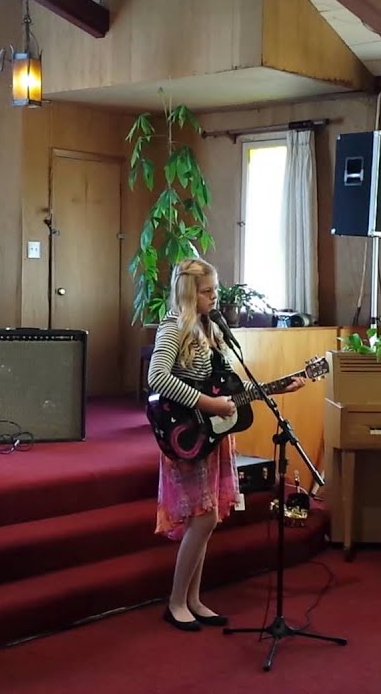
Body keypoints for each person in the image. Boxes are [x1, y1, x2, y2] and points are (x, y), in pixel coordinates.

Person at [146, 257, 306, 632]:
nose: (215, 297)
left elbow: (228, 391)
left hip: (211, 435)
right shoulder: (174, 328)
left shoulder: (211, 328)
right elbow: (157, 377)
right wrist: (207, 404)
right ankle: (175, 602)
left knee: (209, 518)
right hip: (185, 435)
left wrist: (280, 386)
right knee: (202, 519)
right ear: (189, 293)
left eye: (215, 290)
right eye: (207, 292)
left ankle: (194, 599)